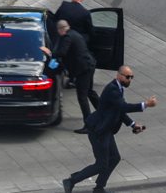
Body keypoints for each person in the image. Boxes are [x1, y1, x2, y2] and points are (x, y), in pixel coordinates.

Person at [62, 65, 158, 193]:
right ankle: (71, 181)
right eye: (127, 77)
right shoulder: (112, 90)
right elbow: (123, 107)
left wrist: (133, 124)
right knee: (101, 164)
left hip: (105, 129)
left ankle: (99, 186)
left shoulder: (119, 88)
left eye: (131, 77)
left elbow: (119, 110)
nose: (129, 79)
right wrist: (145, 104)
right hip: (98, 130)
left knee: (114, 158)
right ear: (118, 75)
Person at [48, 20, 99, 134]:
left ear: (60, 29)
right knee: (89, 91)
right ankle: (104, 112)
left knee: (82, 96)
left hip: (83, 70)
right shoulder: (74, 33)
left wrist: (50, 53)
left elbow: (62, 52)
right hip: (89, 65)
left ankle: (89, 125)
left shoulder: (67, 37)